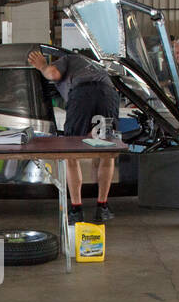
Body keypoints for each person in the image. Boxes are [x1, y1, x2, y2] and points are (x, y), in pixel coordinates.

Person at [27, 47, 118, 222]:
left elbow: (53, 73)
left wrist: (42, 66)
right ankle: (103, 207)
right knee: (106, 151)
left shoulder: (70, 59)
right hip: (108, 94)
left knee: (71, 154)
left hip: (83, 94)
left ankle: (76, 209)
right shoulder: (97, 66)